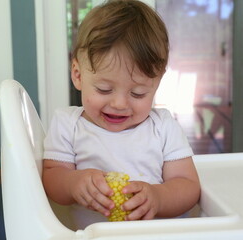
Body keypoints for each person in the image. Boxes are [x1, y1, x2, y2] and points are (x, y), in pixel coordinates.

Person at [42, 0, 200, 228]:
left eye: (137, 93)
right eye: (104, 89)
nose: (119, 104)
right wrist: (73, 183)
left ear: (156, 84)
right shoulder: (68, 125)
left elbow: (187, 185)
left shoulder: (163, 127)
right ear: (77, 75)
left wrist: (158, 197)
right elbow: (51, 177)